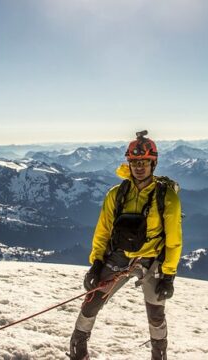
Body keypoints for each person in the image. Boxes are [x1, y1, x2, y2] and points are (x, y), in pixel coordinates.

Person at [68, 130, 183, 360]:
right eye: (134, 162)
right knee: (91, 302)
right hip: (120, 257)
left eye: (144, 162)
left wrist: (168, 275)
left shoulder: (167, 197)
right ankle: (78, 347)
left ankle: (159, 355)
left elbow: (173, 240)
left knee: (156, 314)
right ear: (129, 163)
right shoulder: (116, 194)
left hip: (152, 261)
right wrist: (96, 263)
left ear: (153, 164)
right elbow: (103, 231)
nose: (139, 167)